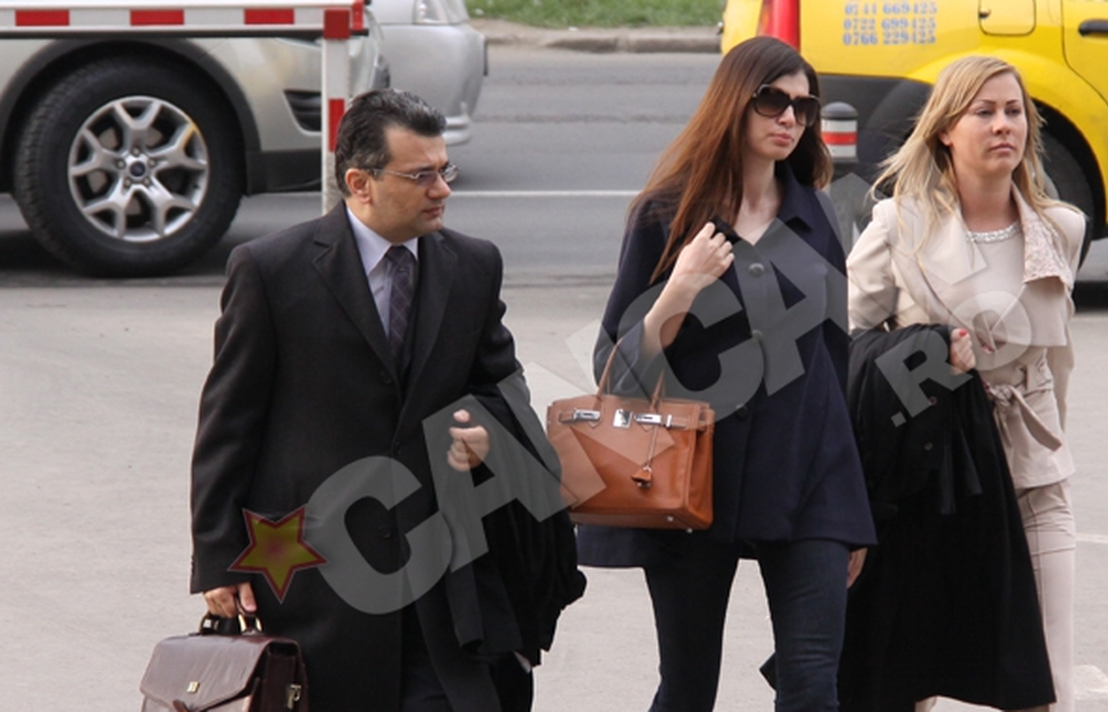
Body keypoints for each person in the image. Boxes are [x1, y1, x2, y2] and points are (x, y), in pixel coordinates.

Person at [189, 88, 584, 712]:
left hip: (443, 571)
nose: (442, 189)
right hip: (316, 576)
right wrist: (218, 560)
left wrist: (488, 435)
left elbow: (501, 386)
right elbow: (229, 424)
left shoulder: (473, 266)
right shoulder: (272, 270)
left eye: (445, 170)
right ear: (360, 183)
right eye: (421, 175)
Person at [577, 37, 877, 712]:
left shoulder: (814, 214)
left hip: (809, 474)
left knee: (813, 686)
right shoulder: (666, 214)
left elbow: (833, 360)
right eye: (773, 100)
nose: (790, 118)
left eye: (803, 106)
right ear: (733, 103)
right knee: (688, 689)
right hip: (692, 477)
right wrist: (680, 289)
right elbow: (615, 371)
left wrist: (850, 508)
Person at [844, 55, 1085, 711]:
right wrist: (929, 355)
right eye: (984, 112)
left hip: (1032, 474)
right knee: (908, 680)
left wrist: (1054, 446)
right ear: (946, 130)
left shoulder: (1061, 229)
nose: (1003, 125)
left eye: (1014, 111)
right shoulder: (898, 225)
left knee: (1044, 682)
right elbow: (847, 351)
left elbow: (1059, 357)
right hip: (931, 474)